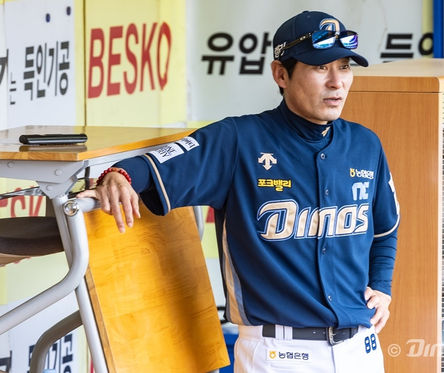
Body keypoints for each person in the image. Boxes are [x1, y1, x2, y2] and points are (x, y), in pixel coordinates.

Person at [78, 10, 400, 373]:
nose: (337, 82)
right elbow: (158, 164)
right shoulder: (239, 140)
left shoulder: (365, 144)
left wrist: (382, 286)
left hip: (362, 350)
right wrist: (120, 175)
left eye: (344, 67)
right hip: (279, 353)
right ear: (281, 73)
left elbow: (386, 229)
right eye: (320, 67)